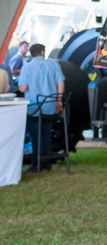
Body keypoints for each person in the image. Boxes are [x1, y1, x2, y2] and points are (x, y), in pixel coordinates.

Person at [16, 44, 64, 172]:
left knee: (34, 134)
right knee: (45, 132)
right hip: (50, 106)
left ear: (32, 53)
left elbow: (22, 88)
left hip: (34, 107)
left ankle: (37, 163)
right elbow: (61, 83)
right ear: (42, 52)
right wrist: (59, 100)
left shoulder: (26, 67)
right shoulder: (54, 65)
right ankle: (46, 162)